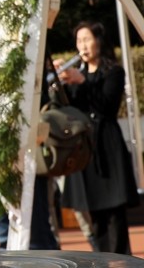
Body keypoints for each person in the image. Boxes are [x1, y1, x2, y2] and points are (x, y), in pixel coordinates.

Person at [55, 21, 140, 255]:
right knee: (95, 212)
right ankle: (103, 265)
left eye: (86, 39)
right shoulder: (76, 74)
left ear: (99, 42)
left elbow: (107, 105)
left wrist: (82, 82)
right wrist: (55, 78)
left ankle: (124, 264)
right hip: (86, 148)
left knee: (115, 211)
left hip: (107, 144)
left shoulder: (113, 71)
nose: (82, 45)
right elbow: (65, 107)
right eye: (78, 40)